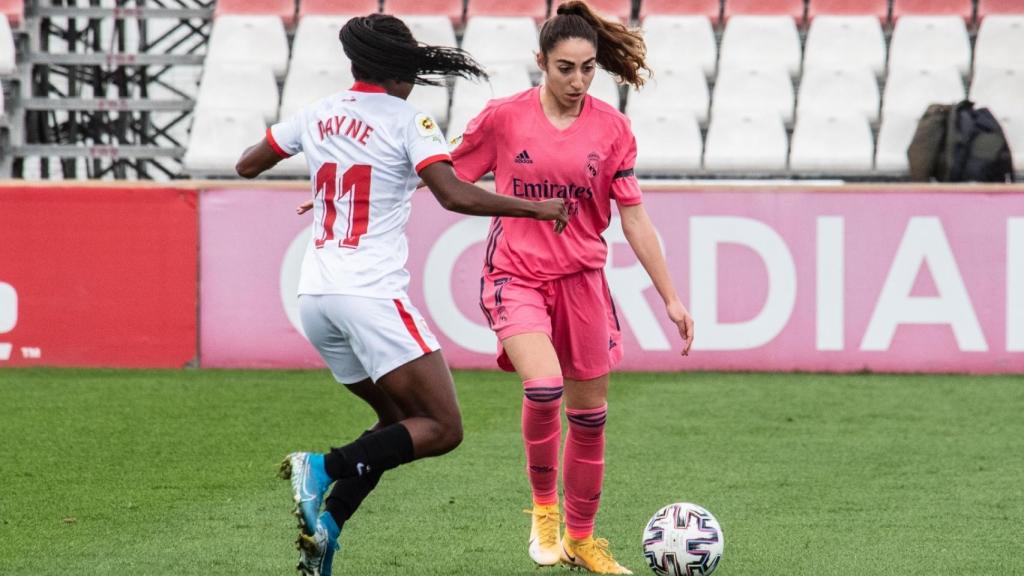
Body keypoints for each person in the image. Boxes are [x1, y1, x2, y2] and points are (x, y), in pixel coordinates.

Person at [235, 14, 569, 576]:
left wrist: (326, 176)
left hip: (315, 297)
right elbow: (453, 195)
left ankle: (329, 527)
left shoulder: (319, 113)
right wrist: (536, 208)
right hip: (368, 296)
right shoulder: (409, 118)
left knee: (396, 424)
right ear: (400, 70)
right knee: (443, 428)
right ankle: (321, 466)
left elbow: (247, 164)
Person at [448, 2, 695, 573]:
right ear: (541, 62)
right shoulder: (502, 119)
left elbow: (634, 219)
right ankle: (543, 516)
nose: (578, 80)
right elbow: (441, 176)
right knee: (543, 389)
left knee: (590, 417)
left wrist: (671, 298)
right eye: (565, 68)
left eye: (587, 68)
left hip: (583, 282)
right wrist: (353, 196)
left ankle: (582, 541)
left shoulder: (613, 128)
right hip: (516, 275)